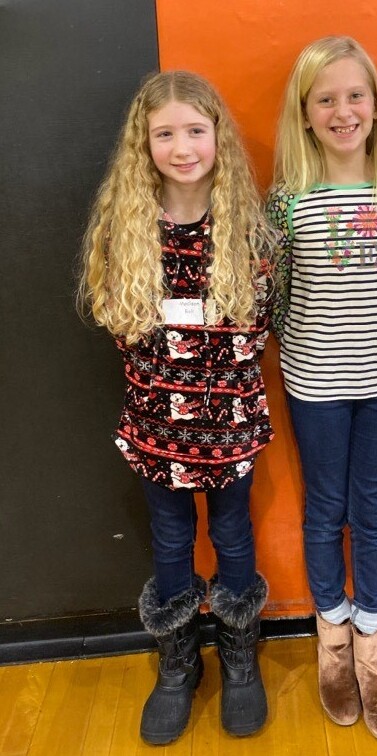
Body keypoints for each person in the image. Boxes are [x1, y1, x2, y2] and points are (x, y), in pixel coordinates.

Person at [79, 71, 275, 744]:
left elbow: (264, 320)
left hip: (231, 427)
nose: (183, 146)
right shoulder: (125, 227)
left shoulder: (248, 227)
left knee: (233, 535)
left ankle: (241, 655)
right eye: (166, 133)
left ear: (217, 136)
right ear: (146, 144)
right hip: (157, 425)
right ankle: (178, 660)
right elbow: (116, 318)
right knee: (169, 539)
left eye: (195, 130)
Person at [266, 36, 377, 742]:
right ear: (304, 113)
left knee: (374, 508)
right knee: (325, 506)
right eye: (325, 98)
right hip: (315, 383)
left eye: (355, 94)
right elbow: (278, 300)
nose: (343, 110)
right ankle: (331, 640)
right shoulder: (287, 200)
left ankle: (372, 648)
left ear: (375, 103)